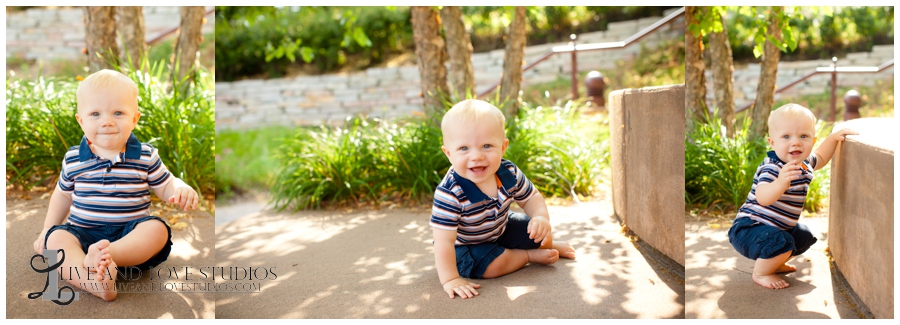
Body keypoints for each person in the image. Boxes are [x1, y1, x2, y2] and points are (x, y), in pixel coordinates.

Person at [32, 69, 199, 301]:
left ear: (135, 118)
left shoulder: (145, 156)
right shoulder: (73, 159)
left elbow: (165, 184)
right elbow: (62, 196)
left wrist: (179, 187)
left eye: (118, 112)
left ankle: (107, 257)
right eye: (95, 114)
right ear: (81, 121)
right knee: (56, 241)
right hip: (82, 236)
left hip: (128, 238)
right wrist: (47, 229)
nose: (107, 122)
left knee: (157, 229)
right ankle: (94, 281)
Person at [430, 99, 576, 299]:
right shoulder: (450, 193)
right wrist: (450, 279)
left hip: (500, 228)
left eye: (487, 146)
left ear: (503, 147)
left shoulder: (508, 172)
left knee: (537, 230)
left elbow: (531, 197)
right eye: (464, 148)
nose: (476, 156)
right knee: (491, 265)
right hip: (465, 246)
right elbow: (443, 242)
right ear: (448, 153)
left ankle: (548, 245)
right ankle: (528, 256)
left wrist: (540, 217)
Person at [728, 103, 858, 289]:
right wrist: (780, 183)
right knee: (781, 241)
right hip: (750, 230)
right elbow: (763, 197)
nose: (795, 142)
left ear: (812, 141)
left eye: (803, 136)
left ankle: (775, 261)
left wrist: (833, 138)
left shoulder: (804, 162)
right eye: (786, 136)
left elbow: (820, 157)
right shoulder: (773, 167)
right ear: (772, 142)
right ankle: (761, 272)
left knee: (804, 236)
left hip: (775, 229)